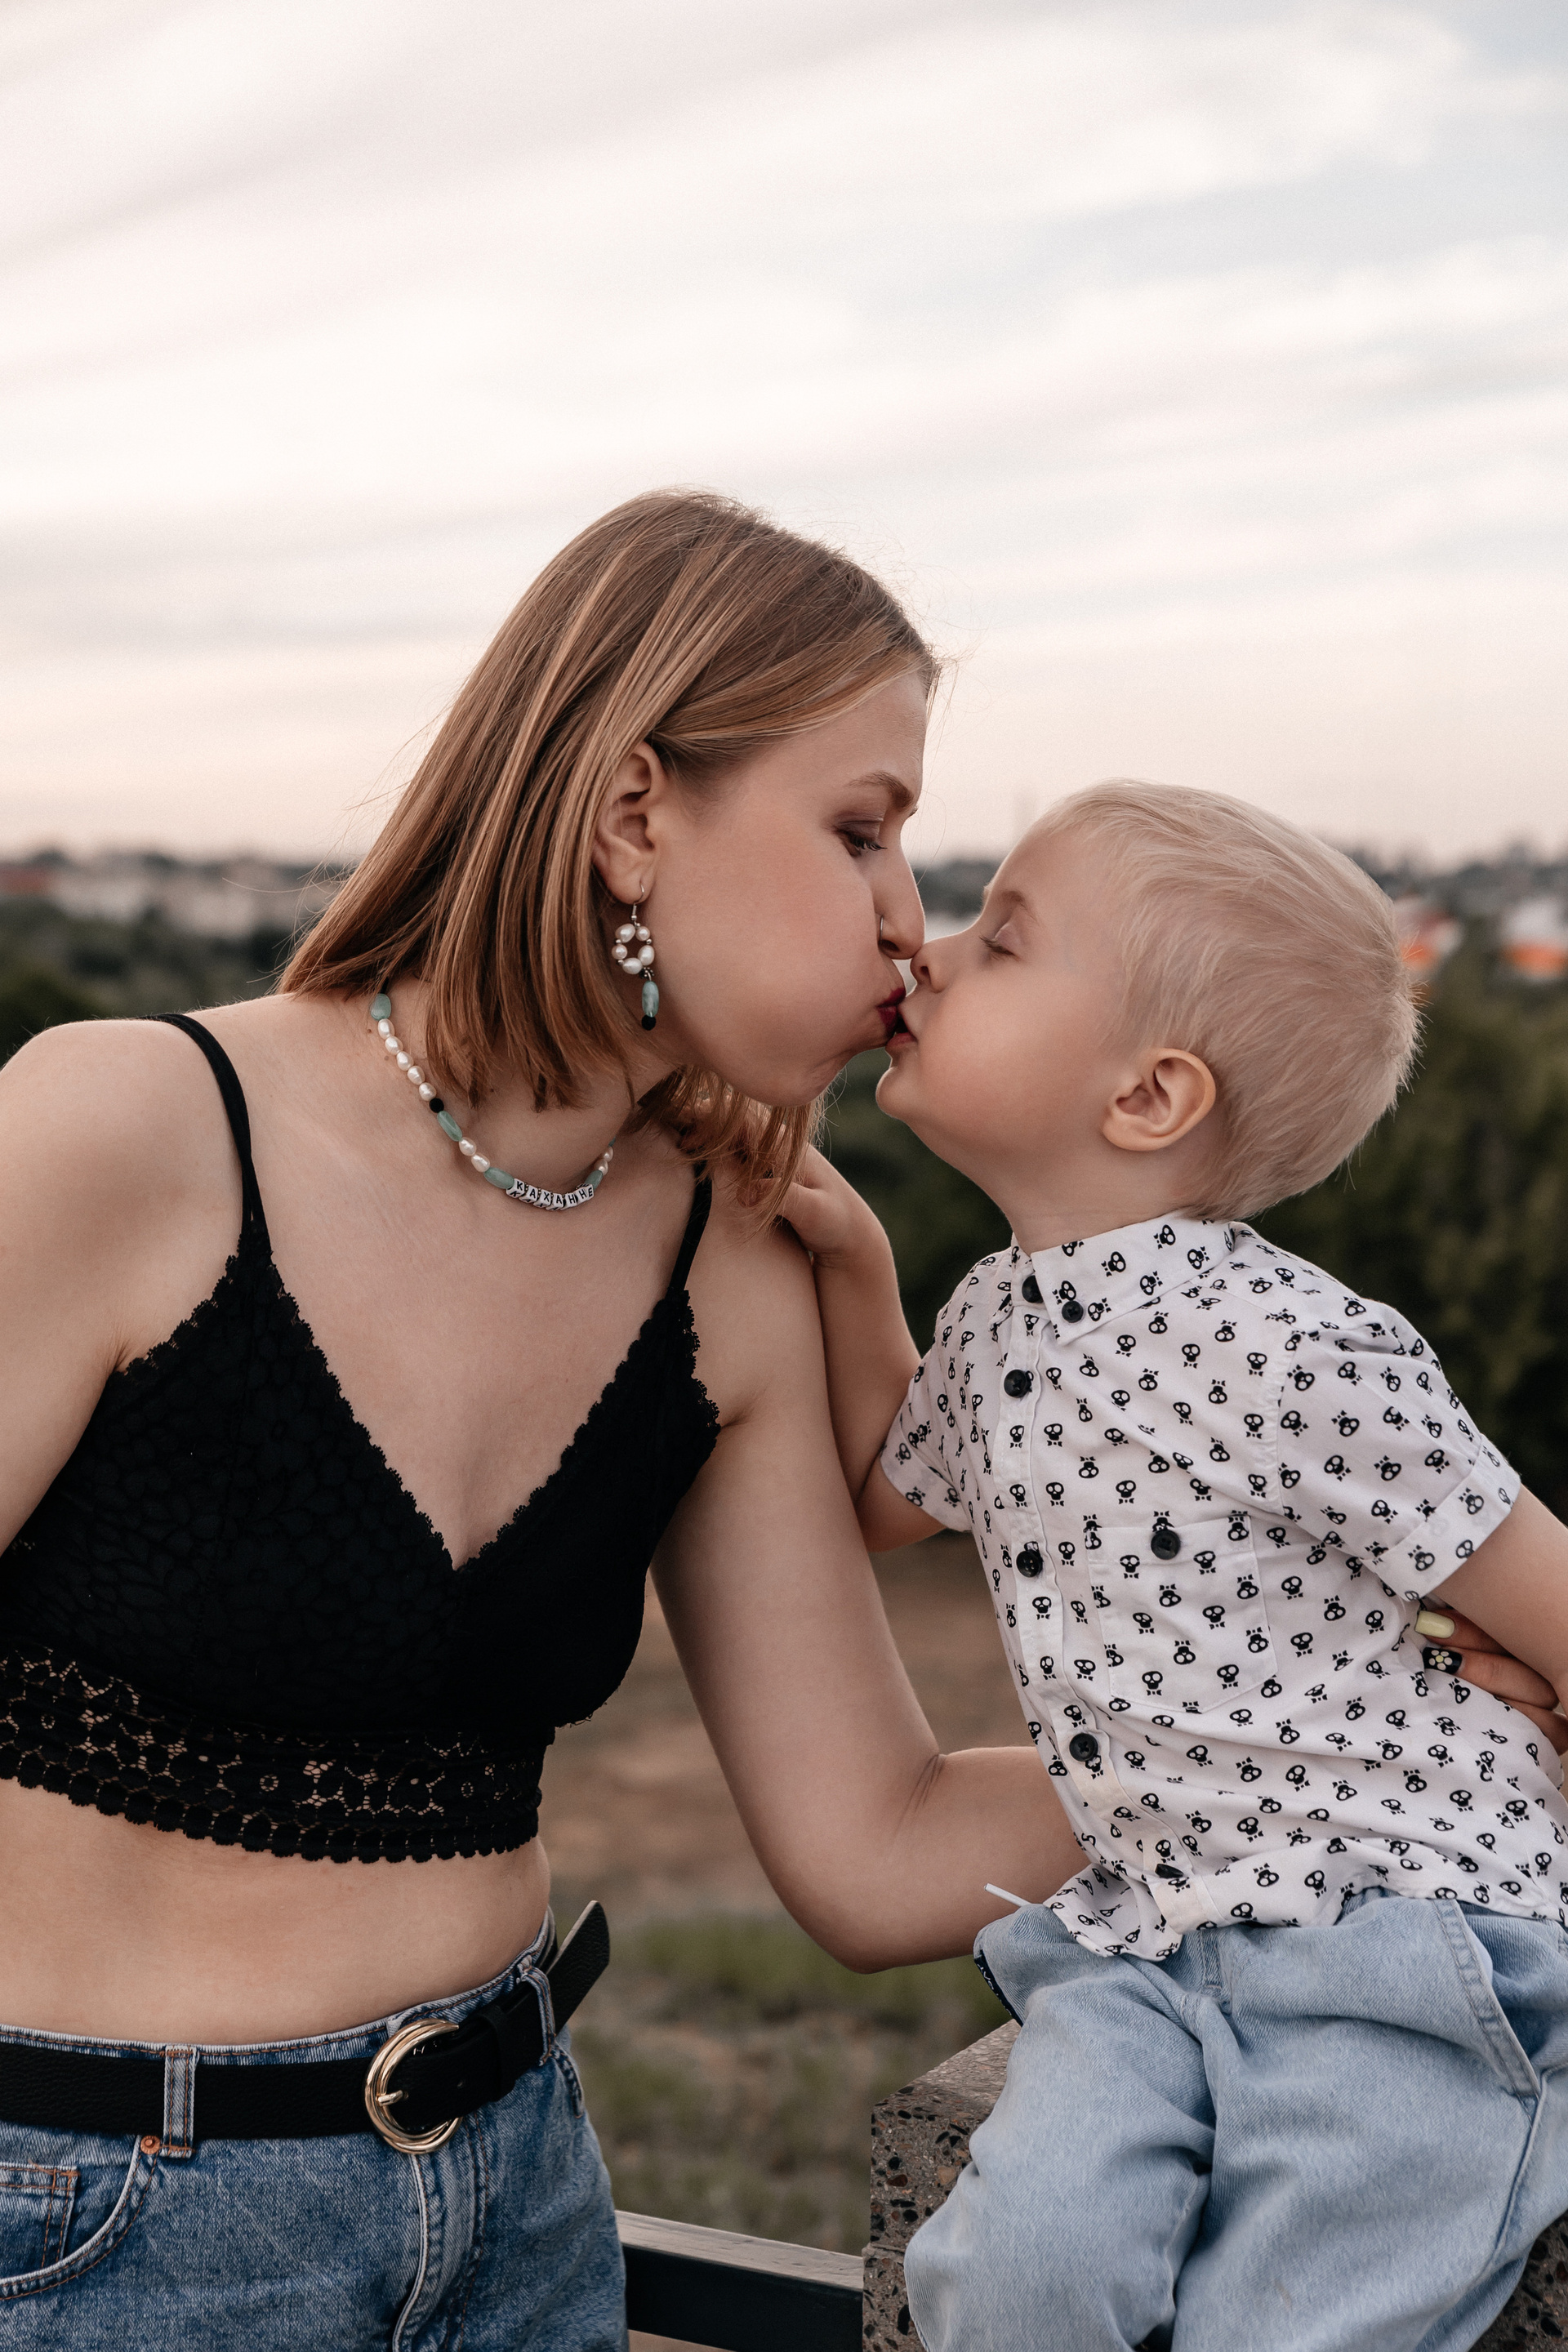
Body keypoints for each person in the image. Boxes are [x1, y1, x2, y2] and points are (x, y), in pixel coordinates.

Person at [0, 491, 1089, 2348]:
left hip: (518, 2226)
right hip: (97, 2239)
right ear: (634, 811)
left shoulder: (730, 1266)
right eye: (861, 831)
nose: (912, 925)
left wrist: (1373, 1746)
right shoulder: (128, 1132)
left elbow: (882, 1843)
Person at [786, 778, 1568, 2352]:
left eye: (1004, 938)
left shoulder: (1305, 1347)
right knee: (1014, 2273)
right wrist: (861, 1259)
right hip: (1150, 1935)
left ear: (1148, 1096)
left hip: (1399, 1933)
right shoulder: (997, 1317)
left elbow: (1544, 1587)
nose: (931, 950)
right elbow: (883, 1495)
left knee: (1300, 2318)